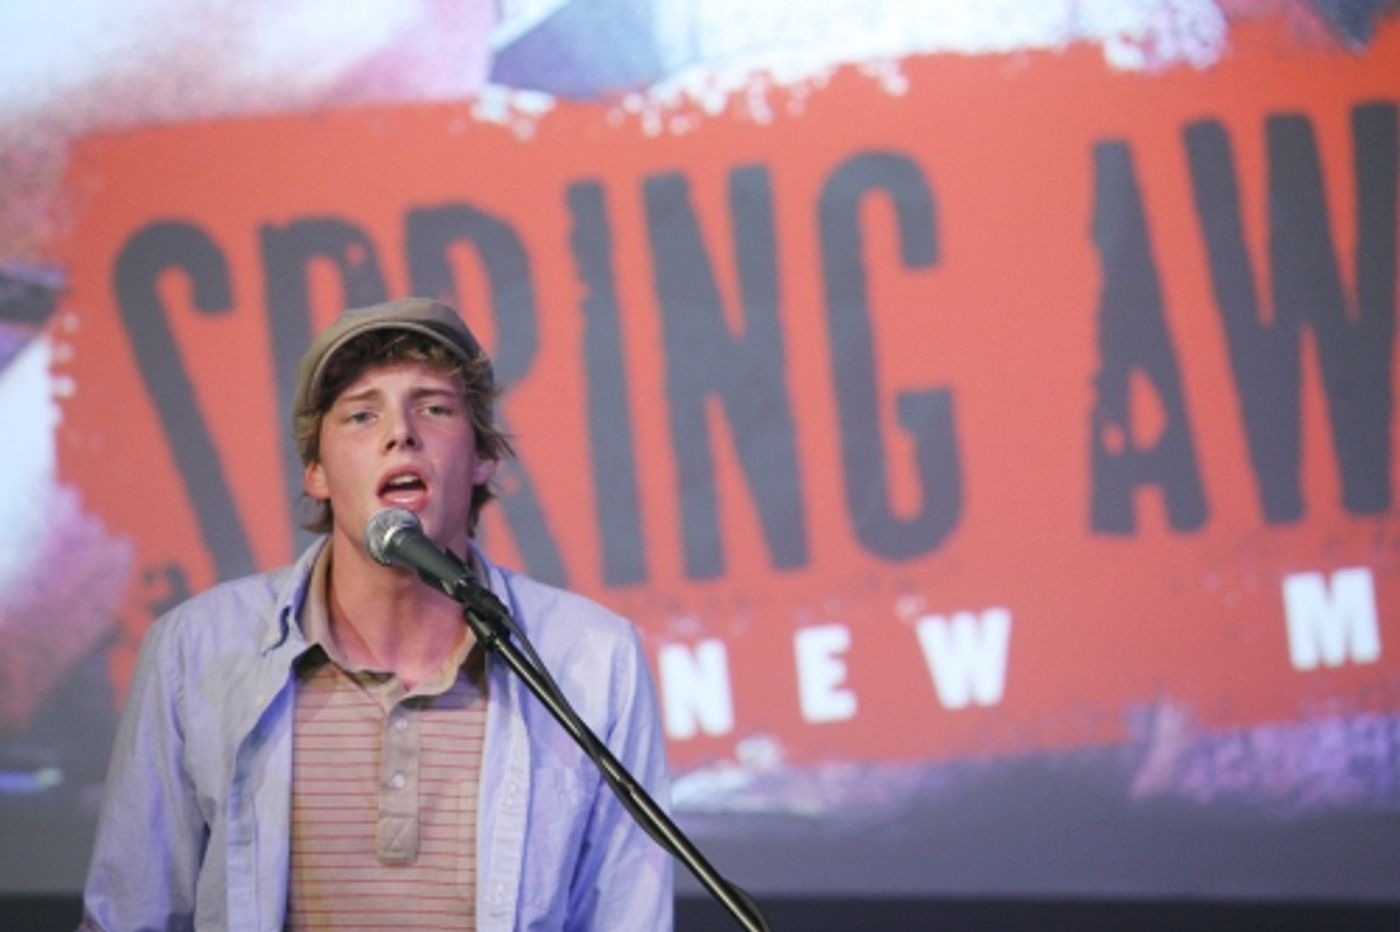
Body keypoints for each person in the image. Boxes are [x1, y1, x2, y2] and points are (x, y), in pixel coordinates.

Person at [80, 297, 674, 930]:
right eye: (362, 415)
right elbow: (131, 912)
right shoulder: (195, 649)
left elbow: (628, 914)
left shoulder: (591, 655)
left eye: (436, 409)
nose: (401, 432)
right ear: (316, 471)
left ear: (481, 458)